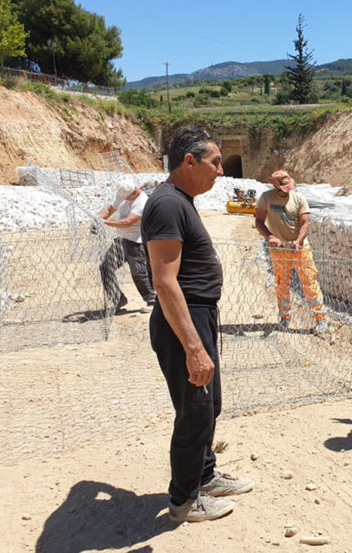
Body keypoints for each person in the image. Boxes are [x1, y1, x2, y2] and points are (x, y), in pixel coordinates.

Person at [141, 126, 254, 523]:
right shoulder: (168, 204)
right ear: (189, 161)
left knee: (209, 404)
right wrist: (193, 347)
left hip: (197, 315)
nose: (221, 172)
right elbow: (164, 281)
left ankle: (204, 475)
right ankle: (184, 500)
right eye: (215, 162)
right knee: (195, 411)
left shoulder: (180, 199)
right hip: (182, 320)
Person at [255, 169, 328, 335]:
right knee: (282, 283)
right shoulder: (266, 198)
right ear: (275, 187)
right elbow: (259, 221)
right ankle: (285, 316)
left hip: (299, 248)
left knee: (309, 281)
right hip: (278, 250)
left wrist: (298, 241)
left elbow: (305, 224)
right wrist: (270, 237)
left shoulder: (299, 199)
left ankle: (320, 317)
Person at [99, 178, 157, 313]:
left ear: (135, 192)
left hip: (135, 242)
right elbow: (110, 209)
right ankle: (117, 298)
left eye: (126, 196)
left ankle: (152, 300)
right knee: (106, 267)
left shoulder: (142, 202)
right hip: (121, 240)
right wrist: (98, 218)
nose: (124, 199)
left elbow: (128, 222)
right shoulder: (125, 195)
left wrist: (106, 224)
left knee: (139, 273)